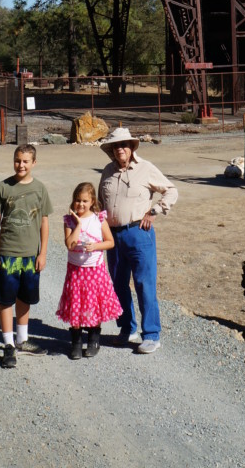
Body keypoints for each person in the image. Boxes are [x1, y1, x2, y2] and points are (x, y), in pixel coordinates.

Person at [98, 126, 178, 354]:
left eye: (124, 144)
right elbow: (100, 204)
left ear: (132, 147)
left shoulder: (146, 169)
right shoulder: (107, 172)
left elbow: (171, 190)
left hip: (139, 234)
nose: (120, 149)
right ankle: (127, 329)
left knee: (144, 284)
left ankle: (151, 335)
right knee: (118, 284)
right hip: (113, 237)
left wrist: (154, 212)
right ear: (111, 150)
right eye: (115, 146)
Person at [0, 144, 53, 368]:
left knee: (25, 298)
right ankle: (8, 345)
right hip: (7, 255)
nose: (21, 165)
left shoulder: (40, 189)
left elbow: (44, 222)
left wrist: (42, 252)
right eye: (17, 160)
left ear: (34, 163)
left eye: (25, 161)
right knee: (5, 299)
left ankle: (22, 339)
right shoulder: (3, 187)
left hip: (30, 256)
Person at [56, 181, 123, 360]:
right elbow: (70, 245)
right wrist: (77, 225)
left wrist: (95, 246)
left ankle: (94, 339)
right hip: (76, 270)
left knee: (94, 303)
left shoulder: (98, 218)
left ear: (92, 201)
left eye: (85, 201)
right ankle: (76, 342)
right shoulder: (69, 220)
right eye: (77, 200)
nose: (81, 204)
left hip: (95, 269)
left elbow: (110, 242)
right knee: (76, 304)